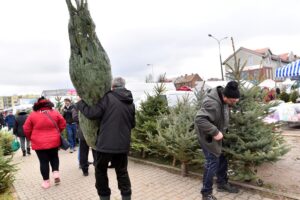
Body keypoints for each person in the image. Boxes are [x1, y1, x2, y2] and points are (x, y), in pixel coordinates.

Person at [76, 77, 135, 200]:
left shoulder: (108, 97)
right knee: (122, 172)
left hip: (105, 145)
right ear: (124, 86)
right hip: (123, 145)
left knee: (101, 171)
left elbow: (92, 114)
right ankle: (126, 197)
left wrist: (81, 102)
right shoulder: (130, 101)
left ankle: (104, 197)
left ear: (112, 86)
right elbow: (132, 124)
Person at [195, 81, 240, 200]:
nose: (235, 103)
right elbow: (200, 119)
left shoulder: (224, 98)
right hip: (208, 137)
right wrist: (215, 132)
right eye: (233, 101)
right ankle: (206, 193)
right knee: (212, 163)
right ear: (225, 97)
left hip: (219, 134)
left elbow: (223, 112)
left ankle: (221, 183)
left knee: (222, 158)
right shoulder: (212, 103)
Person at [23, 97, 66, 189]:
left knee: (43, 162)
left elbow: (26, 128)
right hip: (54, 140)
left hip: (38, 142)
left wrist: (31, 137)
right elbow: (63, 123)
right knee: (54, 157)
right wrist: (57, 132)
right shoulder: (55, 113)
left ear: (37, 105)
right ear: (49, 104)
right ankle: (56, 173)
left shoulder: (32, 115)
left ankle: (46, 182)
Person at [72, 106, 96, 176]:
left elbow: (75, 117)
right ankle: (85, 169)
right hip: (85, 133)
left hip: (91, 133)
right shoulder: (78, 106)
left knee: (92, 152)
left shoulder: (78, 106)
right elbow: (75, 118)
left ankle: (91, 168)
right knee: (84, 153)